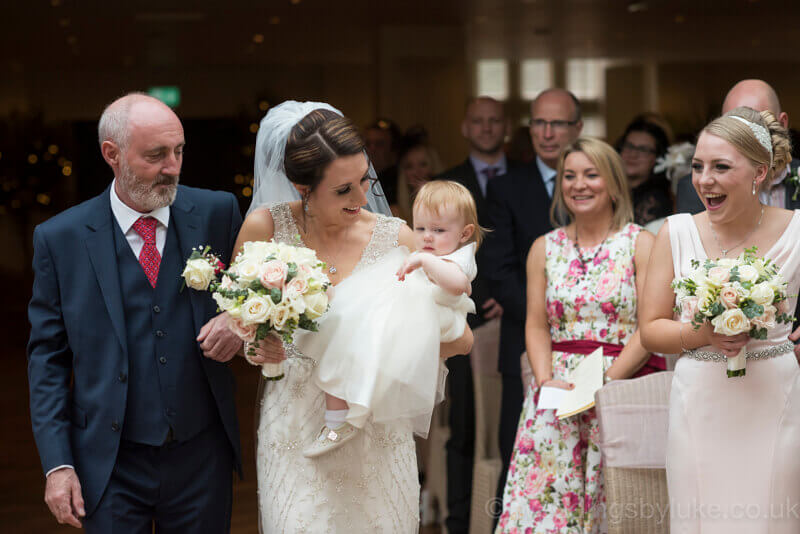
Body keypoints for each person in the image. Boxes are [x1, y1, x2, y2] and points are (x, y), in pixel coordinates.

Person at [236, 101, 473, 532]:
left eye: (365, 180)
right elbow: (242, 328)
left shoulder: (395, 237)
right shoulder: (265, 229)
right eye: (343, 189)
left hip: (376, 431)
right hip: (294, 426)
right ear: (302, 187)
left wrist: (392, 341)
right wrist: (256, 346)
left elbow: (459, 339)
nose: (362, 198)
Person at [27, 93, 243, 531]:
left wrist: (238, 319)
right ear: (112, 154)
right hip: (108, 462)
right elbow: (47, 359)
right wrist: (58, 465)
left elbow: (257, 295)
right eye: (156, 155)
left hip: (201, 454)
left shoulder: (218, 213)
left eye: (179, 151)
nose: (173, 167)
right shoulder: (60, 238)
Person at [641, 106, 800, 532]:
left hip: (774, 398)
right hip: (700, 401)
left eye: (720, 167)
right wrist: (702, 334)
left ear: (760, 172)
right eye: (697, 166)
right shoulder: (675, 233)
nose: (704, 179)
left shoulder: (797, 230)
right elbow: (651, 329)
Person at [495, 137, 654, 533]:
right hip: (559, 390)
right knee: (546, 507)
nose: (578, 185)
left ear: (613, 184)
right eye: (569, 176)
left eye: (591, 175)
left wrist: (607, 381)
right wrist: (544, 379)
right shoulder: (543, 248)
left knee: (613, 506)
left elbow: (650, 325)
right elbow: (536, 324)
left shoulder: (640, 243)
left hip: (620, 383)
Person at [297, 180, 480, 458]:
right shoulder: (425, 252)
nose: (427, 237)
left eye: (438, 230)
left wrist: (424, 261)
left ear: (464, 233)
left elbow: (458, 285)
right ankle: (336, 420)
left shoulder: (460, 257)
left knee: (369, 340)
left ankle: (354, 413)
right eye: (421, 228)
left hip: (439, 318)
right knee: (345, 332)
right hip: (414, 311)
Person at [482, 88, 583, 511]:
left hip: (590, 346)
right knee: (522, 462)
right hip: (523, 342)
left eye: (557, 123)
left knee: (581, 462)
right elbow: (499, 271)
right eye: (539, 122)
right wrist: (552, 319)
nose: (547, 132)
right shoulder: (505, 187)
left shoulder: (598, 186)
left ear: (577, 128)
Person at [435, 95, 510, 533]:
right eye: (478, 121)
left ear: (505, 126)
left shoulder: (522, 178)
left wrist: (507, 297)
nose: (486, 128)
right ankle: (459, 521)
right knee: (463, 425)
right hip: (462, 319)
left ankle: (505, 519)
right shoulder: (448, 183)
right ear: (465, 127)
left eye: (494, 121)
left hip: (516, 319)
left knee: (510, 427)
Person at [616, 116, 673, 225]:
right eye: (629, 146)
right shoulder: (609, 189)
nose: (633, 154)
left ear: (657, 158)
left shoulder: (654, 201)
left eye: (643, 149)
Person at [394, 127, 444, 223]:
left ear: (434, 167)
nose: (416, 172)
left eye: (423, 164)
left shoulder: (449, 206)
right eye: (409, 166)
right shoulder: (395, 213)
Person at [365, 118, 402, 205]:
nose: (372, 149)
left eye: (379, 144)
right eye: (368, 143)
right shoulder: (358, 178)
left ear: (393, 149)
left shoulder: (401, 181)